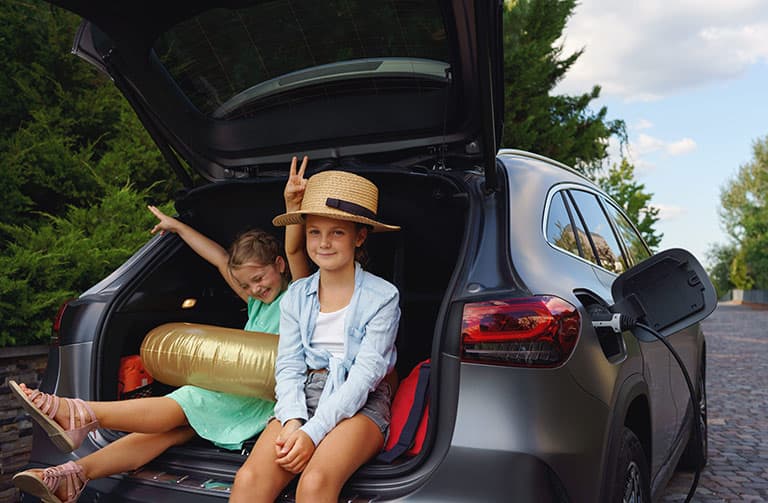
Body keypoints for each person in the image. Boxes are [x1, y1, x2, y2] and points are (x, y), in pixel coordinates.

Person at [10, 158, 312, 503]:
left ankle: (80, 414)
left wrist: (293, 206)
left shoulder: (299, 295)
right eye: (246, 284)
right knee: (165, 432)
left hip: (264, 399)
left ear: (279, 265)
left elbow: (295, 249)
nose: (255, 288)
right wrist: (180, 229)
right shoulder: (257, 302)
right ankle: (74, 474)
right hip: (234, 395)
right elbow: (218, 258)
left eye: (259, 278)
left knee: (189, 397)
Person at [229, 169, 401, 503]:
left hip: (362, 401)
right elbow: (289, 366)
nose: (323, 243)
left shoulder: (383, 297)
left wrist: (313, 431)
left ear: (359, 237)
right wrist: (293, 420)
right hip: (304, 394)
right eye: (314, 232)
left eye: (337, 232)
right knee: (249, 479)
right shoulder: (296, 295)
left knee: (315, 481)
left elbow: (365, 376)